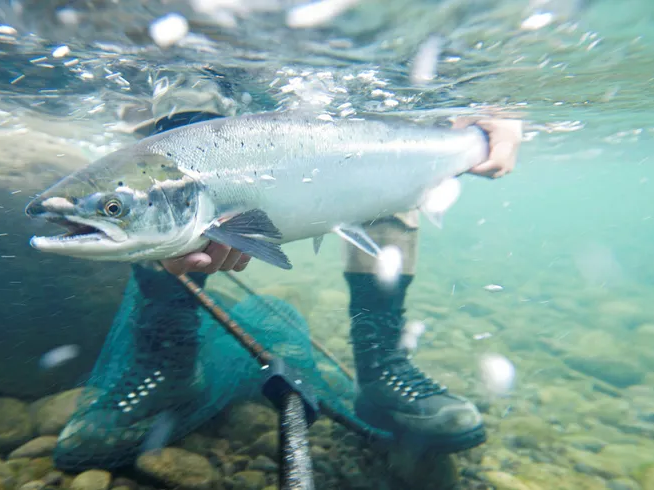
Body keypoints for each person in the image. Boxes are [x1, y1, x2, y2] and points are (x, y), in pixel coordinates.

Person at [130, 71, 522, 451]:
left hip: (365, 76)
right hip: (213, 70)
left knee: (379, 158)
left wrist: (493, 119)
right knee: (155, 203)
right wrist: (186, 135)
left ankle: (381, 365)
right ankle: (167, 360)